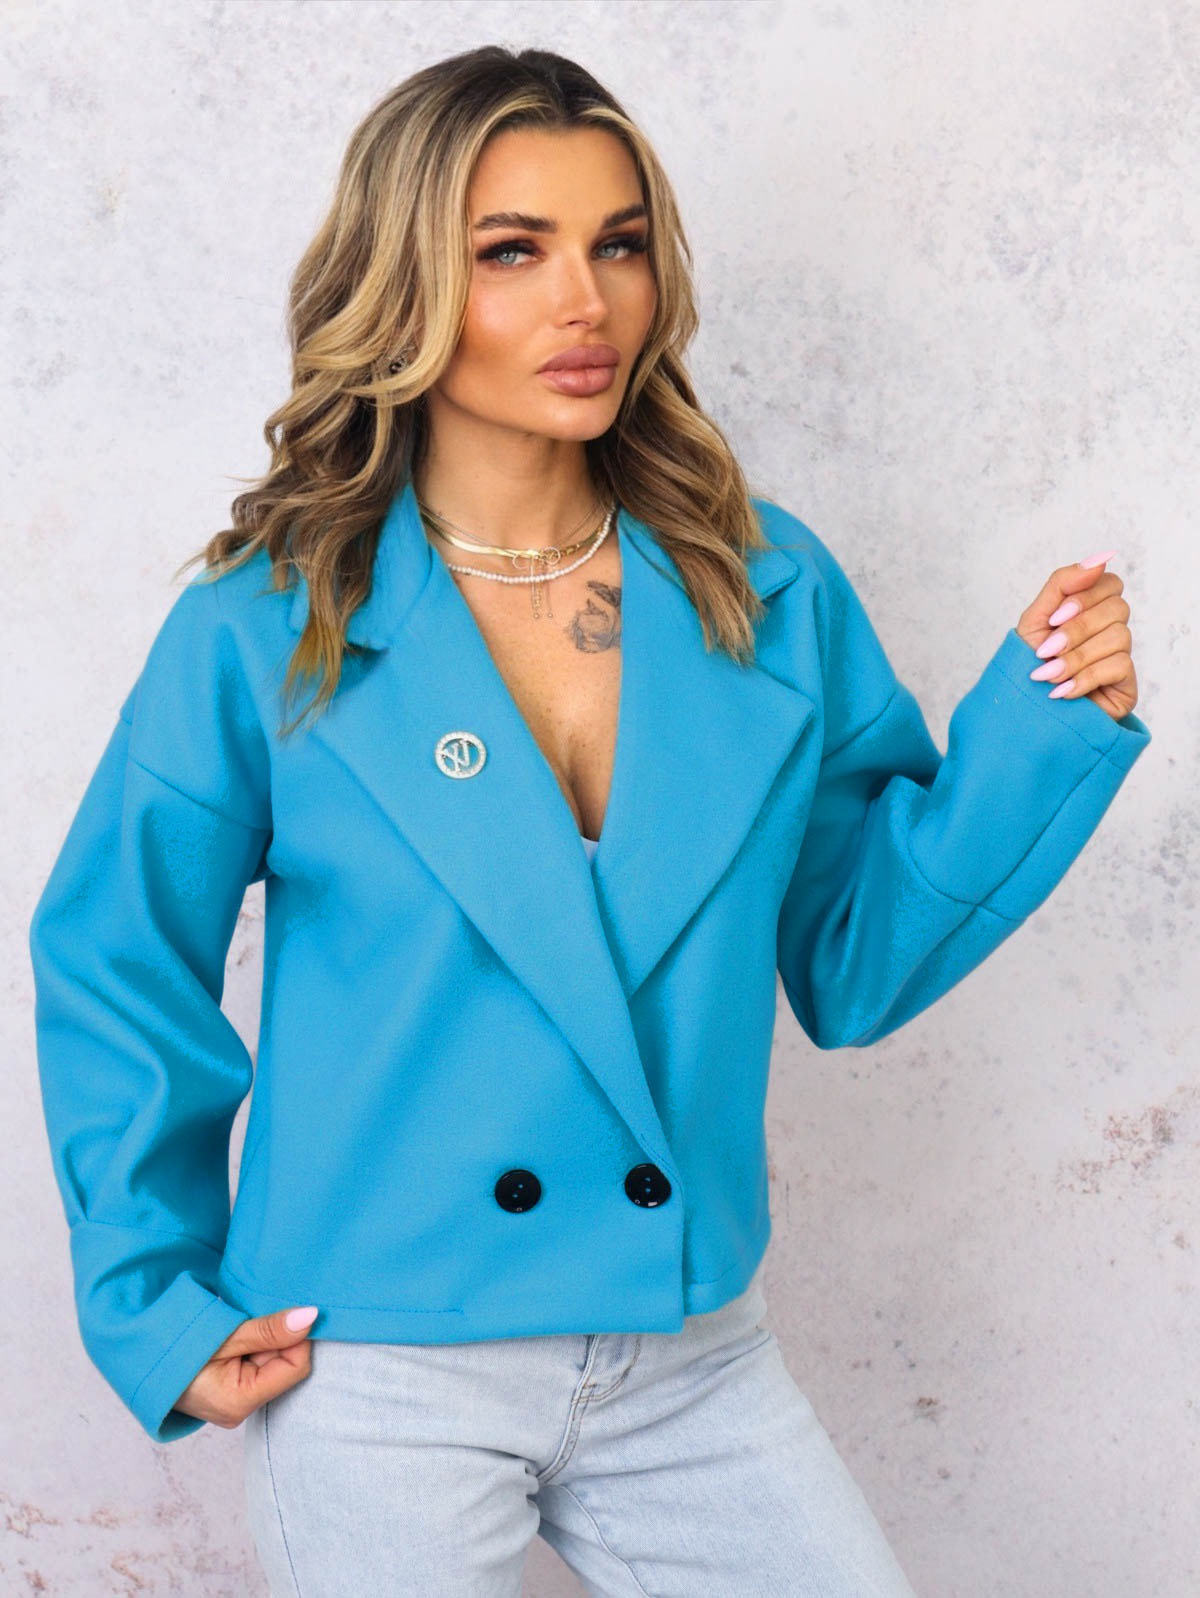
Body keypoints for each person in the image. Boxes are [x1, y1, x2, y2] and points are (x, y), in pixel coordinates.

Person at [27, 44, 1150, 1598]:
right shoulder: (270, 622)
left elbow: (851, 958)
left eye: (619, 244)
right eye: (514, 251)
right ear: (406, 282)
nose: (586, 301)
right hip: (380, 1360)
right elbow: (117, 952)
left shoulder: (762, 588)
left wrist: (1038, 733)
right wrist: (158, 1296)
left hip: (690, 1347)